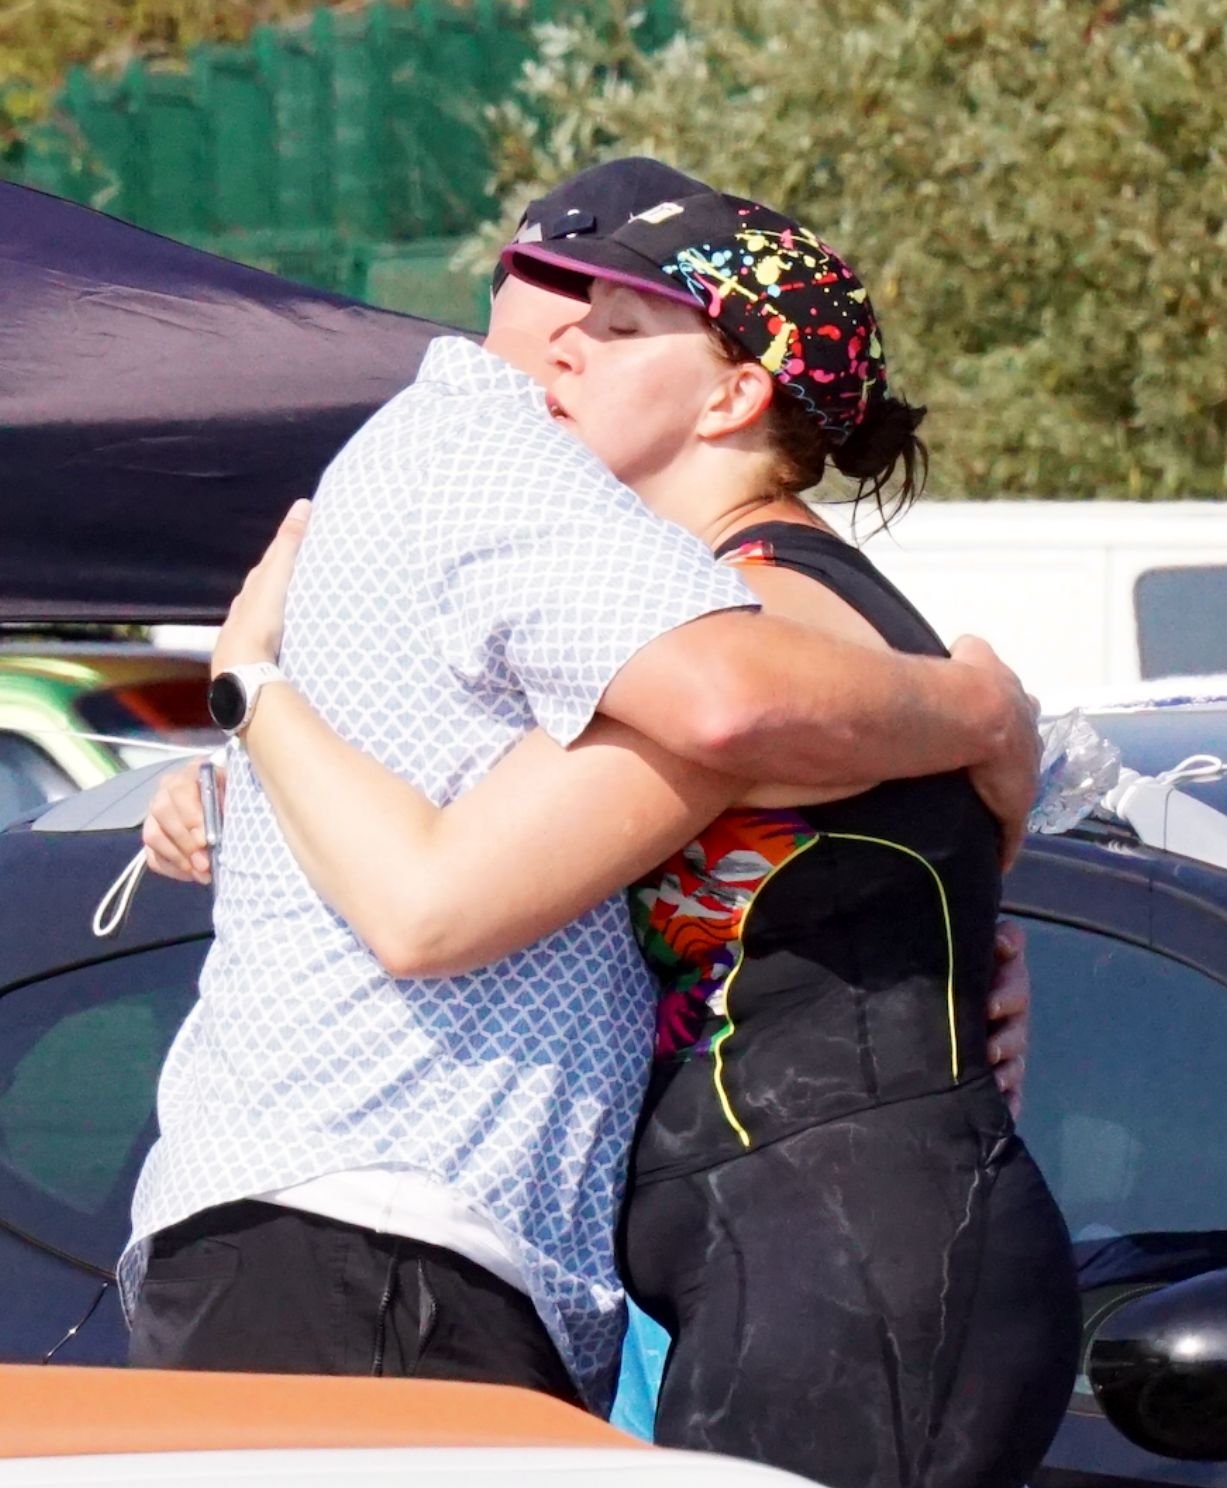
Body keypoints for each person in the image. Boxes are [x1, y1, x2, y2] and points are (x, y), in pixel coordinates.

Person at [130, 160, 1041, 1419]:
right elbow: (455, 867)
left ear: (733, 394)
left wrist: (252, 692)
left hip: (770, 1249)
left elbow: (459, 883)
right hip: (474, 1237)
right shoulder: (607, 554)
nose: (564, 346)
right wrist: (239, 763)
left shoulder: (755, 607)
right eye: (547, 286)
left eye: (616, 322)